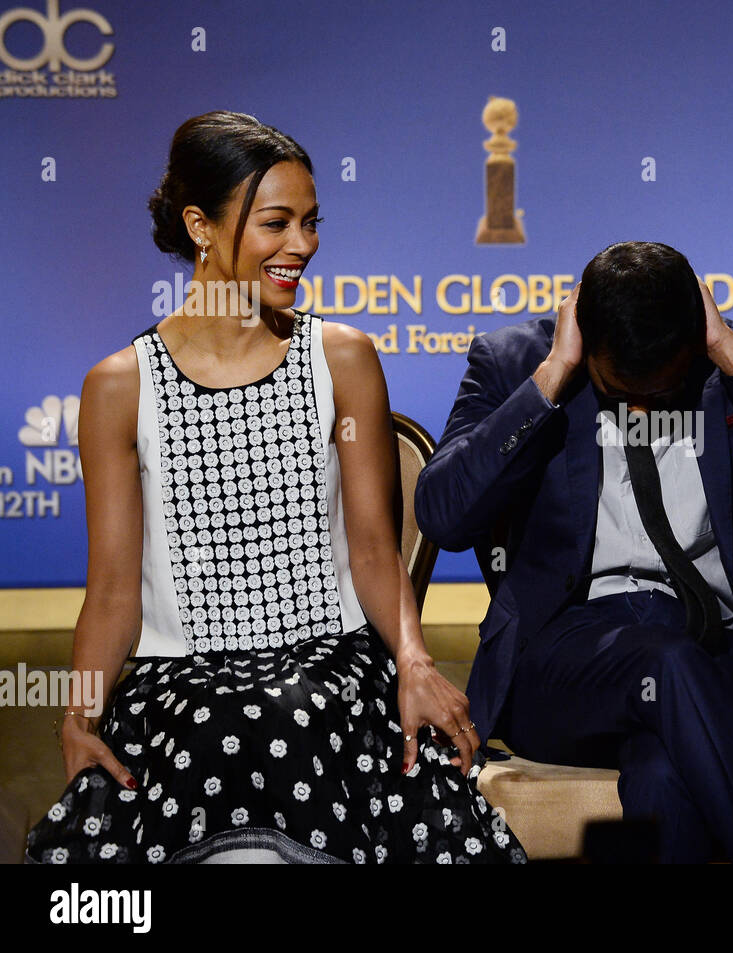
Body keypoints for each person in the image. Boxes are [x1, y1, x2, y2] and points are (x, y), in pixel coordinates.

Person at [26, 111, 525, 864]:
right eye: (277, 222)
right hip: (181, 685)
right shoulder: (119, 387)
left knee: (284, 708)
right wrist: (79, 714)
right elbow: (114, 590)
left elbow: (373, 551)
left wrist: (416, 664)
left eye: (311, 222)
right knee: (203, 732)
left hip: (328, 671)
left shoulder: (344, 356)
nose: (304, 245)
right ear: (200, 224)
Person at [416, 241, 733, 863]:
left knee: (662, 768)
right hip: (563, 668)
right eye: (618, 389)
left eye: (660, 394)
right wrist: (552, 378)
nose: (638, 410)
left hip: (721, 657)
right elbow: (443, 515)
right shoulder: (515, 361)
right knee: (664, 661)